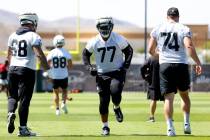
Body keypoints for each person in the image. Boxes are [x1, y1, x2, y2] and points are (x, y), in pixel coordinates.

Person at [148, 7, 202, 136]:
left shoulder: (158, 28)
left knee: (168, 99)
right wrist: (198, 62)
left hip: (165, 65)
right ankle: (186, 124)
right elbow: (189, 46)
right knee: (184, 96)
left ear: (167, 17)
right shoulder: (183, 28)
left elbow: (150, 49)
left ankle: (170, 128)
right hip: (181, 65)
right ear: (178, 16)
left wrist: (160, 55)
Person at [82, 17, 133, 136]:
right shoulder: (94, 41)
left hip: (117, 72)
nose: (105, 29)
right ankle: (105, 127)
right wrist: (89, 67)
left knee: (115, 93)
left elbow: (129, 51)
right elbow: (85, 54)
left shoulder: (118, 38)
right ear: (98, 28)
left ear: (111, 27)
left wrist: (125, 65)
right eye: (102, 27)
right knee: (103, 102)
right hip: (101, 74)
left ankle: (116, 107)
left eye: (106, 27)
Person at [7, 13, 51, 136]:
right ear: (33, 22)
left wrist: (11, 68)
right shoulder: (33, 35)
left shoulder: (12, 35)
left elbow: (9, 55)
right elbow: (39, 54)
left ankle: (10, 112)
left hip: (12, 68)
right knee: (24, 100)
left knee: (12, 96)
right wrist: (47, 69)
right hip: (26, 69)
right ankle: (23, 129)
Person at [47, 35, 73, 115]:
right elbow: (70, 65)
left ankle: (57, 110)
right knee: (65, 91)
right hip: (63, 75)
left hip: (54, 75)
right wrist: (65, 69)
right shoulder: (66, 52)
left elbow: (47, 64)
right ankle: (63, 103)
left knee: (55, 92)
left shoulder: (52, 52)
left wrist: (50, 73)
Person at [141, 55, 164, 122]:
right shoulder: (166, 57)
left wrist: (145, 77)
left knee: (153, 100)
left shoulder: (151, 58)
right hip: (164, 82)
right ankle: (169, 117)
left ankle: (152, 118)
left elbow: (142, 67)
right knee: (167, 100)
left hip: (153, 82)